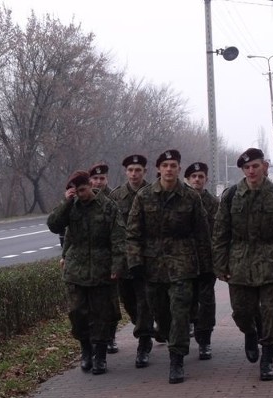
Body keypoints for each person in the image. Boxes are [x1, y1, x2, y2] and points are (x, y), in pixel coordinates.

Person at [213, 148, 273, 381]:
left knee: (270, 310)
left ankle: (267, 357)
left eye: (255, 166)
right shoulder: (231, 195)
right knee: (242, 311)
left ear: (265, 166)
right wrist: (220, 265)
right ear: (242, 170)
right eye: (247, 167)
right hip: (240, 261)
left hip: (270, 259)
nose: (251, 171)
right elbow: (220, 233)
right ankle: (251, 332)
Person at [126, 149, 213, 384]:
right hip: (153, 266)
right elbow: (133, 234)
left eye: (173, 165)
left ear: (178, 168)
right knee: (161, 315)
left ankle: (177, 360)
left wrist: (206, 268)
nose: (169, 169)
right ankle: (165, 335)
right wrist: (135, 262)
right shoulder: (144, 197)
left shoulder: (190, 197)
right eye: (165, 165)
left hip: (182, 263)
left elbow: (202, 234)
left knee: (180, 312)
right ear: (158, 169)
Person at [47, 171, 125, 375]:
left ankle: (100, 356)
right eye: (76, 191)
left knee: (101, 314)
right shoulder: (71, 206)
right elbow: (54, 225)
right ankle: (86, 350)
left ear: (90, 185)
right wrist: (66, 202)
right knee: (77, 313)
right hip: (76, 269)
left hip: (101, 268)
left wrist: (117, 265)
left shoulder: (108, 207)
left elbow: (118, 238)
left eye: (83, 190)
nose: (80, 194)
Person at [109, 154, 154, 368]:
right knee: (128, 300)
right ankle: (142, 326)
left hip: (148, 258)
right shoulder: (117, 196)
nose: (134, 174)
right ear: (126, 172)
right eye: (130, 170)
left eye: (138, 170)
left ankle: (144, 343)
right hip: (125, 259)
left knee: (145, 300)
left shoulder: (154, 193)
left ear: (145, 172)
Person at [184, 161, 218, 360]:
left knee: (206, 303)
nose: (197, 180)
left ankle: (204, 341)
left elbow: (220, 232)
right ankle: (184, 336)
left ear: (206, 179)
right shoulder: (181, 201)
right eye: (194, 177)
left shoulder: (213, 203)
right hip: (183, 261)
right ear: (188, 179)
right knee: (185, 301)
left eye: (201, 177)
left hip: (206, 261)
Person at [87, 163, 119, 353]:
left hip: (109, 258)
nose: (98, 182)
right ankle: (95, 338)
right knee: (90, 305)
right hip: (89, 261)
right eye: (95, 179)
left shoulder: (114, 198)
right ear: (90, 180)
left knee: (111, 302)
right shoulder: (83, 197)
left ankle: (111, 337)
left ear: (107, 179)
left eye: (102, 178)